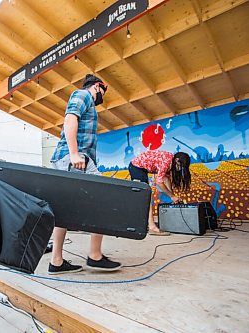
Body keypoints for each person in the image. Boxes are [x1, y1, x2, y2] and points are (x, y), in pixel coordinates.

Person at [48, 74, 122, 275]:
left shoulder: (86, 101)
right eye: (103, 92)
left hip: (68, 160)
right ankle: (95, 255)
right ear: (98, 86)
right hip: (74, 159)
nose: (101, 98)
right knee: (103, 198)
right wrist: (74, 153)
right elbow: (70, 118)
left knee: (62, 212)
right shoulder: (82, 95)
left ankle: (56, 261)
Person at [129, 150, 192, 235]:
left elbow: (166, 179)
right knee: (146, 195)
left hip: (142, 169)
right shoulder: (166, 161)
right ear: (177, 160)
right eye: (180, 166)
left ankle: (146, 224)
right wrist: (172, 195)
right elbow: (159, 182)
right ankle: (152, 227)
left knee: (145, 196)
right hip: (136, 167)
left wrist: (172, 196)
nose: (180, 169)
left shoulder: (171, 162)